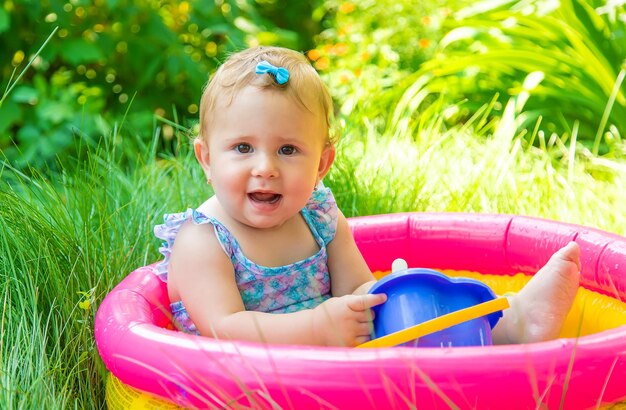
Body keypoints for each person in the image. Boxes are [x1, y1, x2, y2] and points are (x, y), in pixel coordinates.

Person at [154, 46, 581, 347]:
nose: (265, 167)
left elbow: (358, 289)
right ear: (207, 159)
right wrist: (318, 328)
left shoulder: (319, 217)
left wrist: (394, 296)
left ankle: (510, 326)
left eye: (288, 150)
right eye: (243, 148)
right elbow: (224, 329)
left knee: (407, 321)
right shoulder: (203, 240)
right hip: (245, 380)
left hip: (332, 358)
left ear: (322, 165)